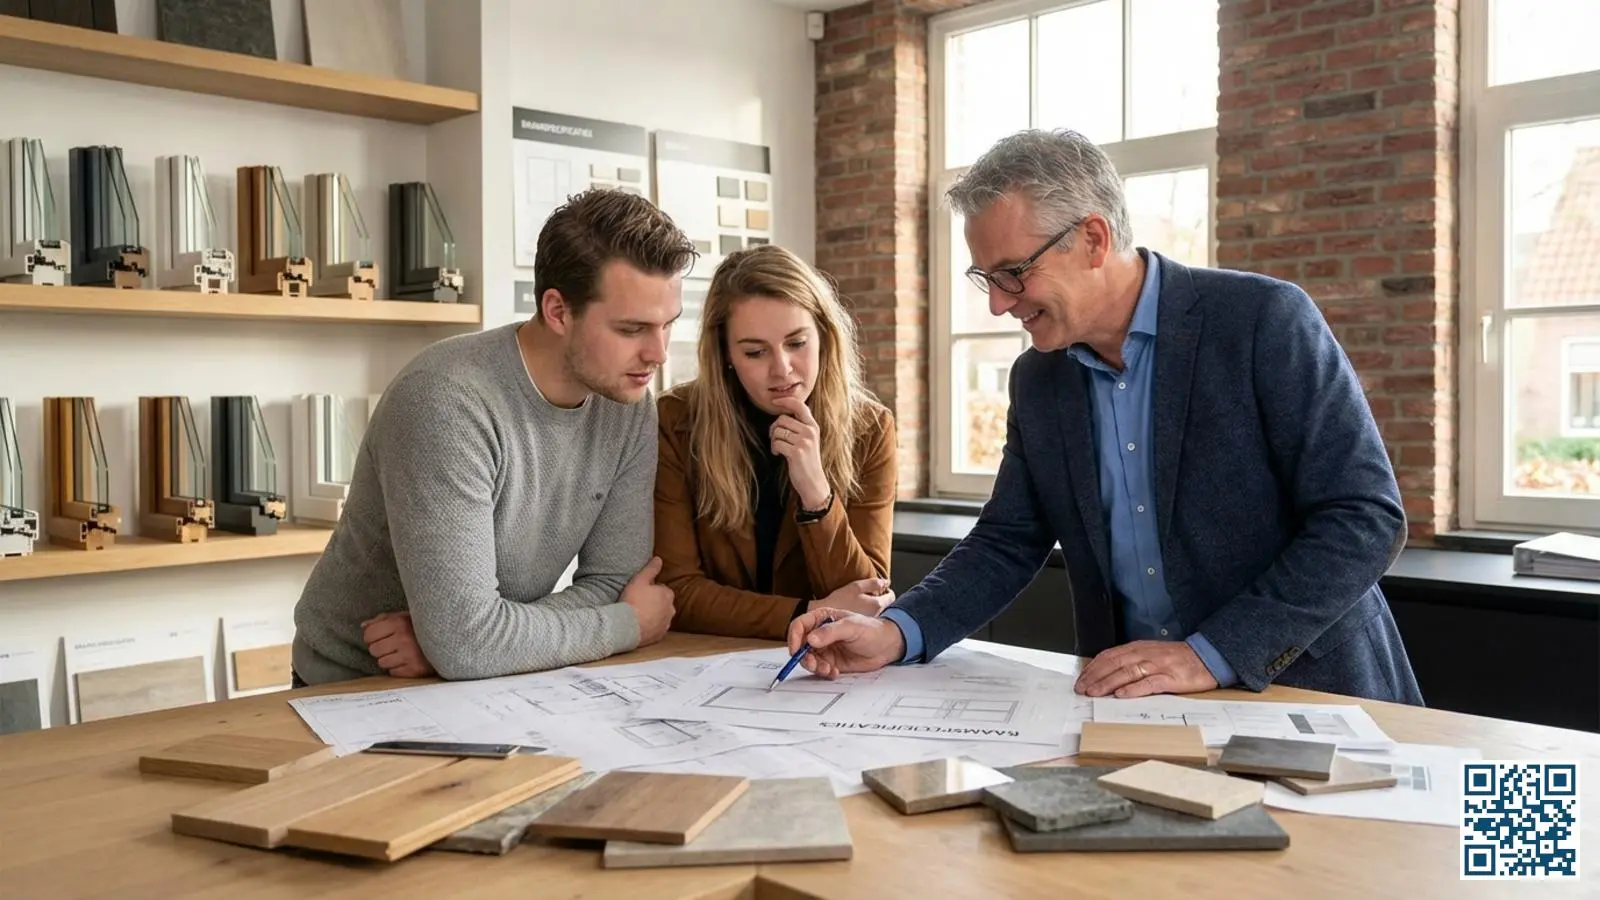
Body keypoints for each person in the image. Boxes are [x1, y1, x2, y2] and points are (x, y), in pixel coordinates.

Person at [784, 129, 1424, 706]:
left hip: (1310, 693)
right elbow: (1007, 540)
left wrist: (1211, 653)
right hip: (1131, 704)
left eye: (1013, 274)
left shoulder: (1263, 321)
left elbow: (1363, 518)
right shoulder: (1039, 379)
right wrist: (896, 632)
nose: (1001, 306)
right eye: (987, 279)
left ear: (1093, 238)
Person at [290, 189, 694, 685]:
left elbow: (615, 583)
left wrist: (474, 640)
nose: (658, 353)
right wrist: (628, 625)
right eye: (632, 329)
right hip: (354, 683)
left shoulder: (630, 404)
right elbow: (476, 643)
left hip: (499, 680)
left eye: (667, 325)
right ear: (558, 311)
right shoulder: (447, 401)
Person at [653, 244, 898, 639]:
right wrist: (808, 611)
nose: (782, 369)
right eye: (755, 351)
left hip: (821, 666)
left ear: (824, 336)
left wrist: (817, 494)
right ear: (725, 355)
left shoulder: (870, 429)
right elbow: (676, 591)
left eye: (797, 343)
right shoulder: (675, 420)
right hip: (703, 660)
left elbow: (868, 598)